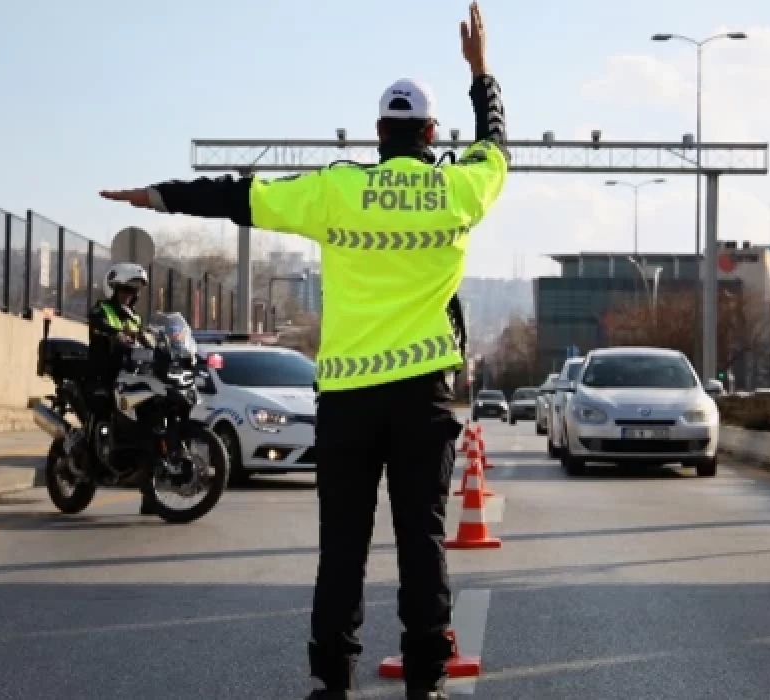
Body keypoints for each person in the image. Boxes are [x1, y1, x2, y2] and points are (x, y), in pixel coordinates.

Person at [99, 4, 505, 697]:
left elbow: (240, 196)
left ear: (380, 133)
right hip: (422, 400)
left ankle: (331, 679)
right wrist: (481, 73)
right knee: (422, 541)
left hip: (347, 402)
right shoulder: (459, 187)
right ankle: (428, 680)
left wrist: (160, 195)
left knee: (342, 547)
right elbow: (497, 144)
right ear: (432, 134)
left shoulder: (337, 188)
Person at [86, 262, 156, 515]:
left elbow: (144, 338)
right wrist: (115, 333)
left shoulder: (134, 317)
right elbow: (99, 323)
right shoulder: (101, 309)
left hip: (129, 377)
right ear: (112, 289)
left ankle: (150, 494)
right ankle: (93, 455)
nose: (128, 295)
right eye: (124, 290)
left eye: (132, 291)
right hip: (102, 376)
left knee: (147, 429)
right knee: (103, 412)